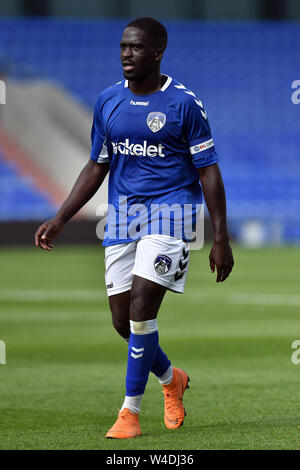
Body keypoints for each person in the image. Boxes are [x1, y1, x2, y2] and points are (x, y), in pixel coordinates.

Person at [35, 17, 234, 439]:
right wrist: (60, 218)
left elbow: (209, 171)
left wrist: (221, 236)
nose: (127, 53)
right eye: (124, 46)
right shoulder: (108, 101)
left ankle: (129, 412)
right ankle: (170, 379)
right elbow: (96, 165)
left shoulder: (183, 105)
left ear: (158, 52)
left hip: (172, 213)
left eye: (137, 48)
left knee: (144, 307)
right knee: (122, 321)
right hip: (123, 216)